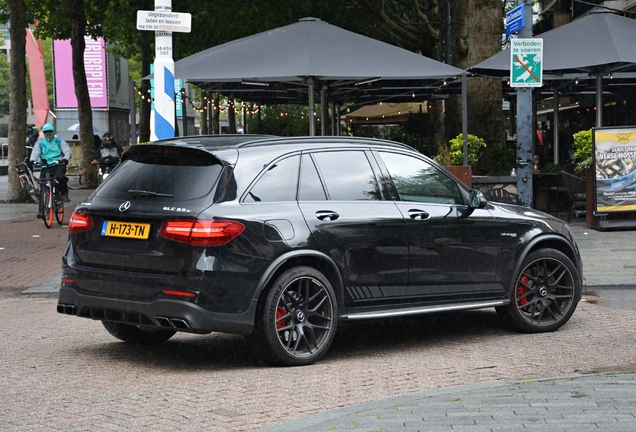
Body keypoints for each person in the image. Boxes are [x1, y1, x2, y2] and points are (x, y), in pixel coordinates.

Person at [29, 123, 72, 218]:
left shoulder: (59, 142)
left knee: (60, 177)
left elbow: (68, 151)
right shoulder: (40, 143)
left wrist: (65, 159)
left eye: (50, 131)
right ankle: (42, 212)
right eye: (46, 132)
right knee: (43, 187)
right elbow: (35, 153)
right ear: (43, 133)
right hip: (45, 166)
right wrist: (32, 161)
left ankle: (64, 192)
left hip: (58, 164)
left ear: (53, 132)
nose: (48, 133)